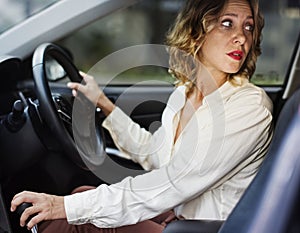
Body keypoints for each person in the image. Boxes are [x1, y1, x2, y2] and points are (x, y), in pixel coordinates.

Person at [10, 0, 273, 232]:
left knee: (62, 221)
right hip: (181, 212)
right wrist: (103, 103)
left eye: (248, 27)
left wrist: (64, 207)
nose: (241, 37)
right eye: (227, 23)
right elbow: (155, 154)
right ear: (196, 32)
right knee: (82, 194)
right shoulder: (185, 93)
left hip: (208, 227)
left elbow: (173, 182)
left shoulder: (249, 107)